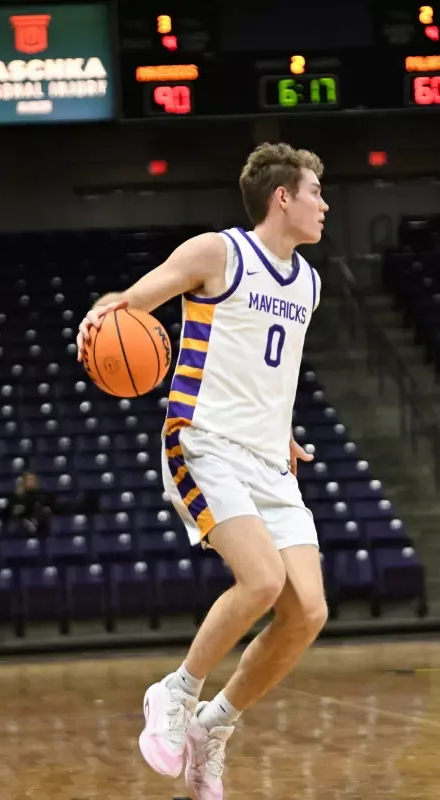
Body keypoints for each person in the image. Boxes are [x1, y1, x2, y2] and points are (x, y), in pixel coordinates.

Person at [75, 142, 328, 798]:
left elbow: (277, 371)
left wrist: (285, 431)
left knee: (309, 613)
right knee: (263, 580)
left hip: (268, 456)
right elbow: (133, 300)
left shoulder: (308, 280)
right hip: (203, 441)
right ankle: (175, 692)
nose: (324, 204)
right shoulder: (219, 253)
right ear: (283, 198)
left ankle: (213, 727)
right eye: (314, 192)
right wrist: (101, 313)